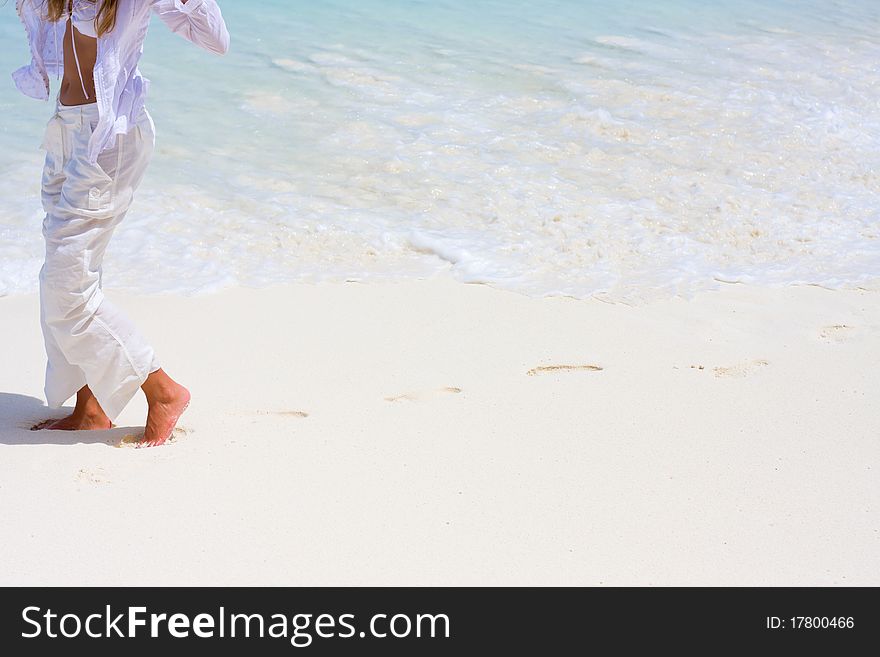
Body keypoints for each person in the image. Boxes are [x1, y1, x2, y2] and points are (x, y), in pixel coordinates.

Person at [14, 0, 230, 446]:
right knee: (68, 272)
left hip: (106, 142)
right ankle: (90, 407)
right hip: (67, 131)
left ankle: (163, 390)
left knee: (66, 287)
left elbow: (215, 40)